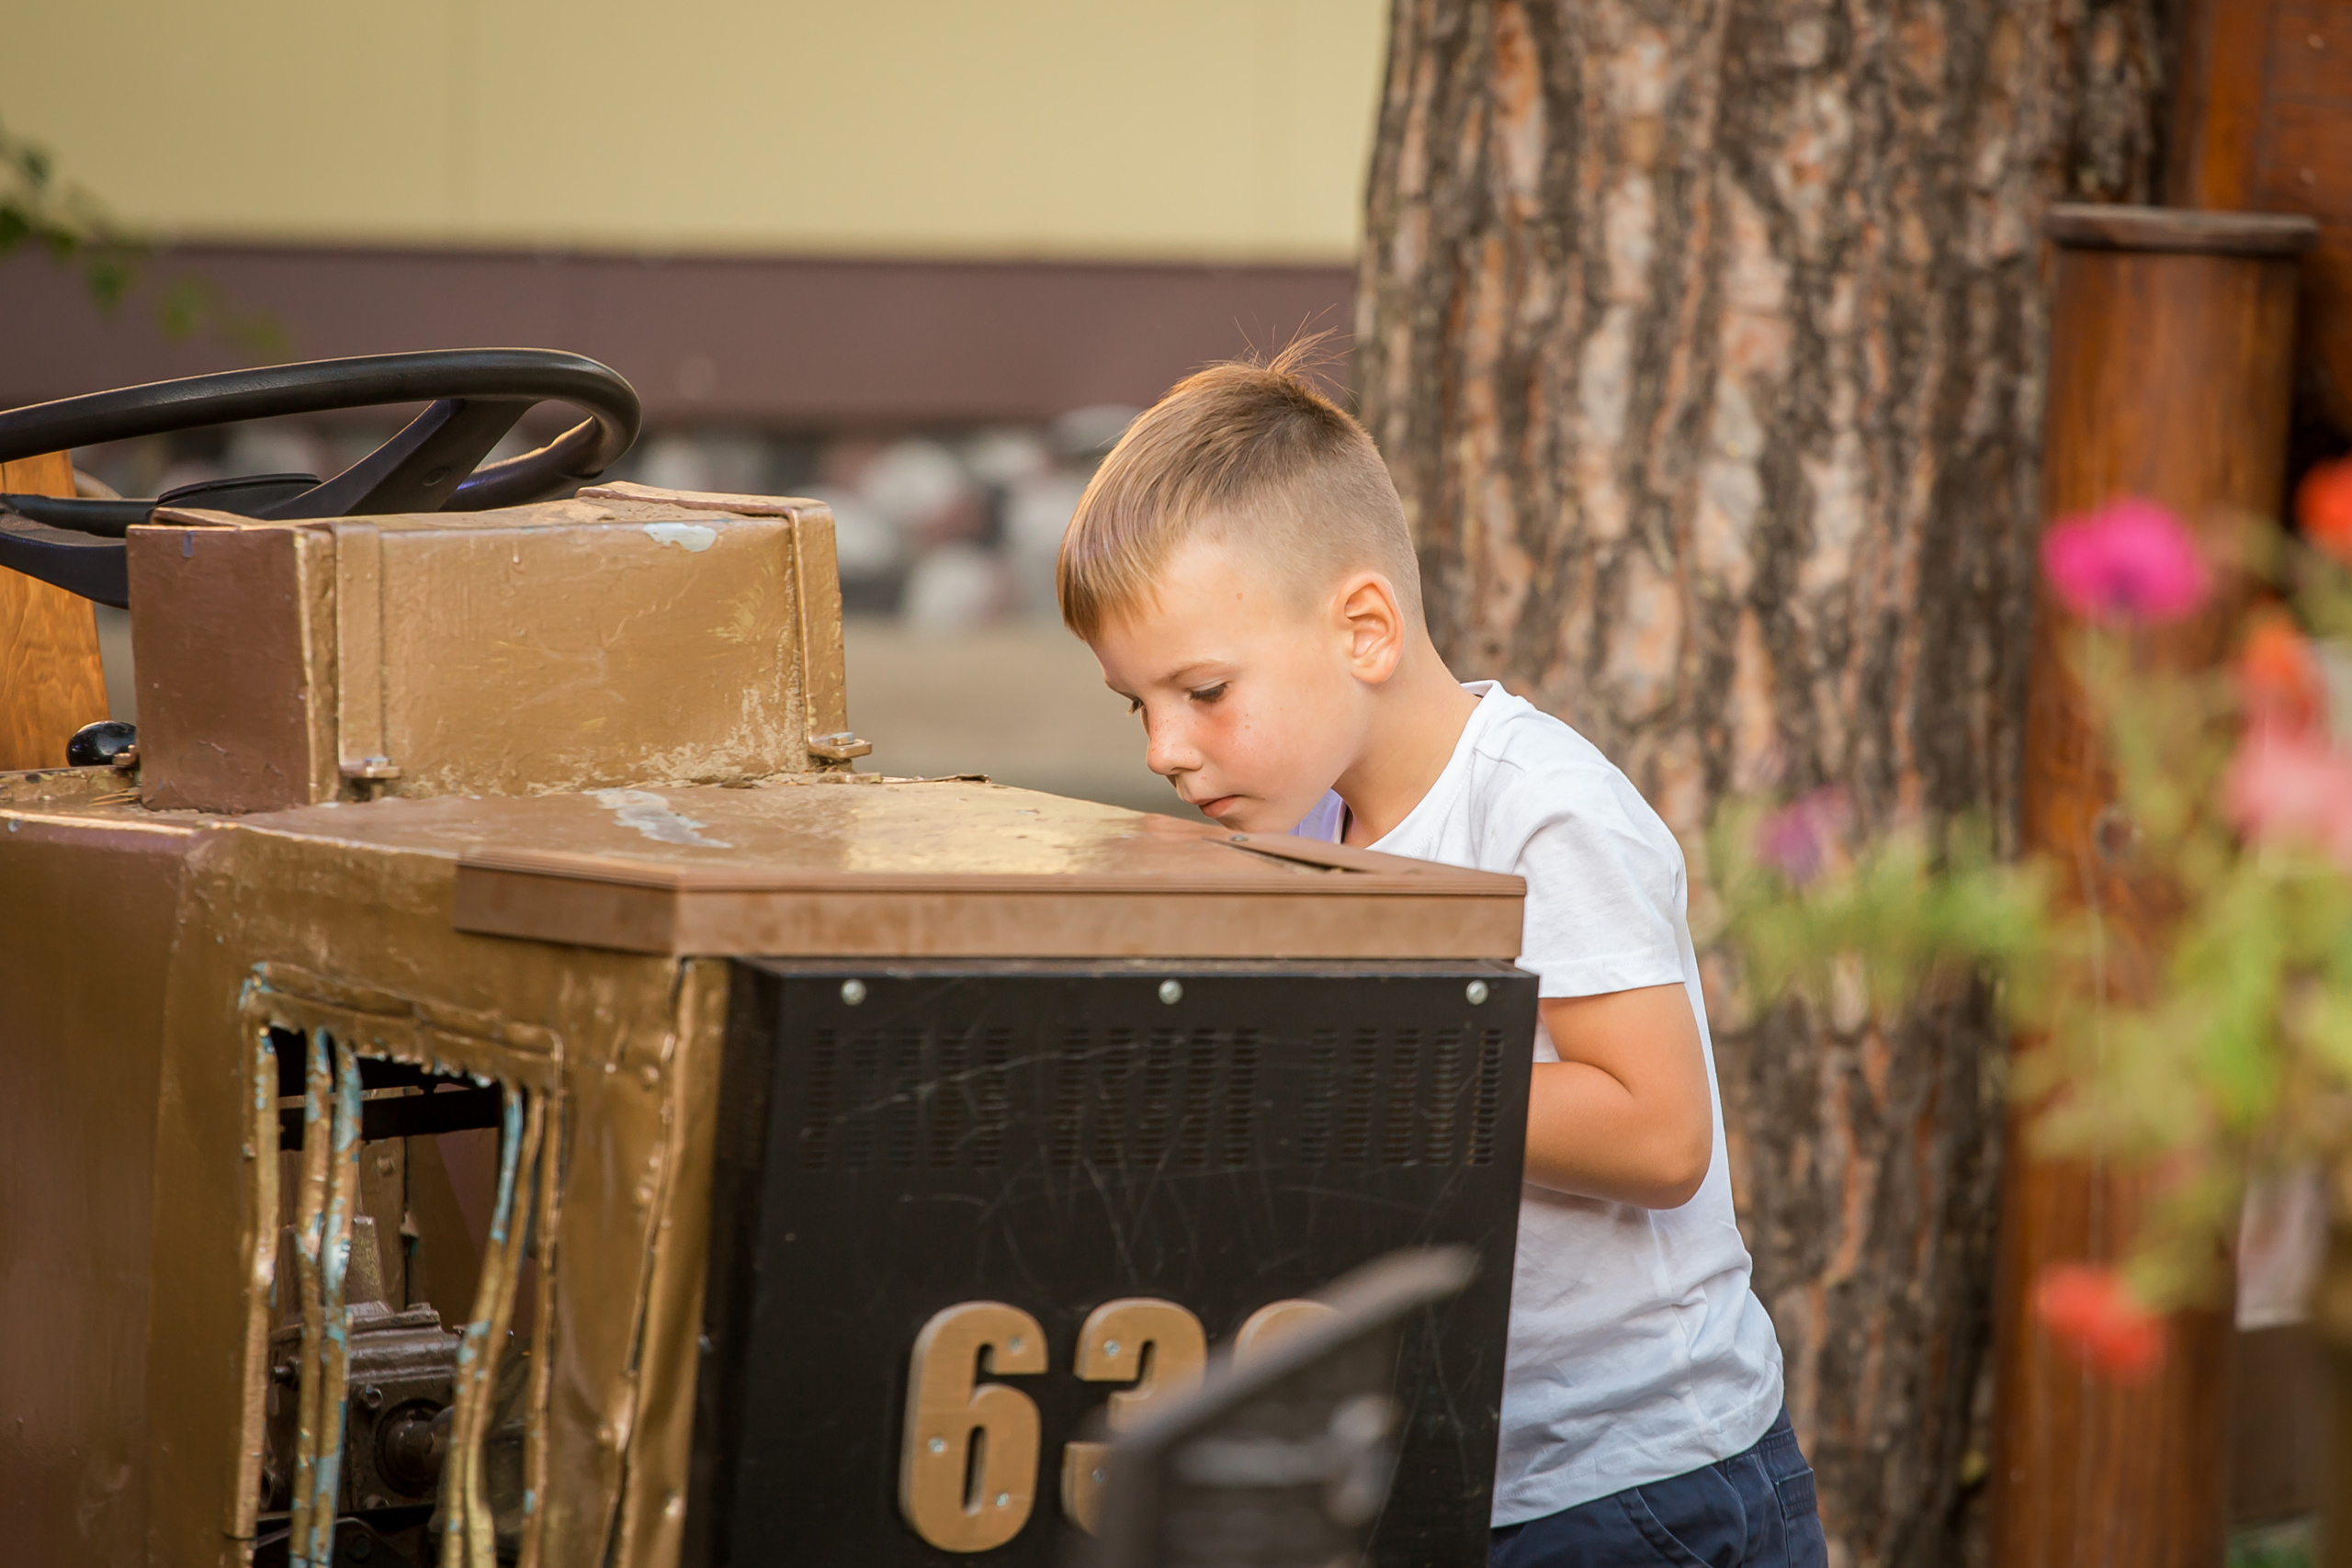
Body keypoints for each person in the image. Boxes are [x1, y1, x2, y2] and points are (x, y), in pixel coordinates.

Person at [1055, 346, 1827, 1568]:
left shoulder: (1539, 813)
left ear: (1363, 627)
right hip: (1458, 1466)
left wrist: (1356, 1074)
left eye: (1203, 690)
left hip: (1635, 1487)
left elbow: (1659, 1133)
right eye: (1136, 705)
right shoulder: (1307, 822)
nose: (1164, 747)